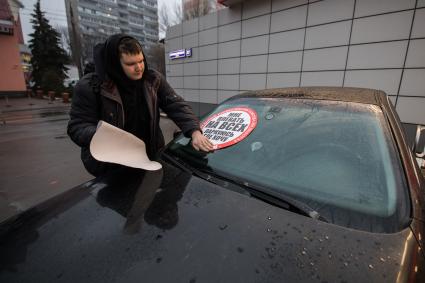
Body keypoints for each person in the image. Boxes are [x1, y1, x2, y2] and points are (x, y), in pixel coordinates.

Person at [67, 34, 213, 178]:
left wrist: (194, 131)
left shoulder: (152, 79)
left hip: (149, 157)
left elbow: (176, 105)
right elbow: (77, 127)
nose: (139, 68)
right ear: (115, 63)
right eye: (131, 64)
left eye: (141, 61)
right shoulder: (91, 86)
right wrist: (105, 136)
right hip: (112, 165)